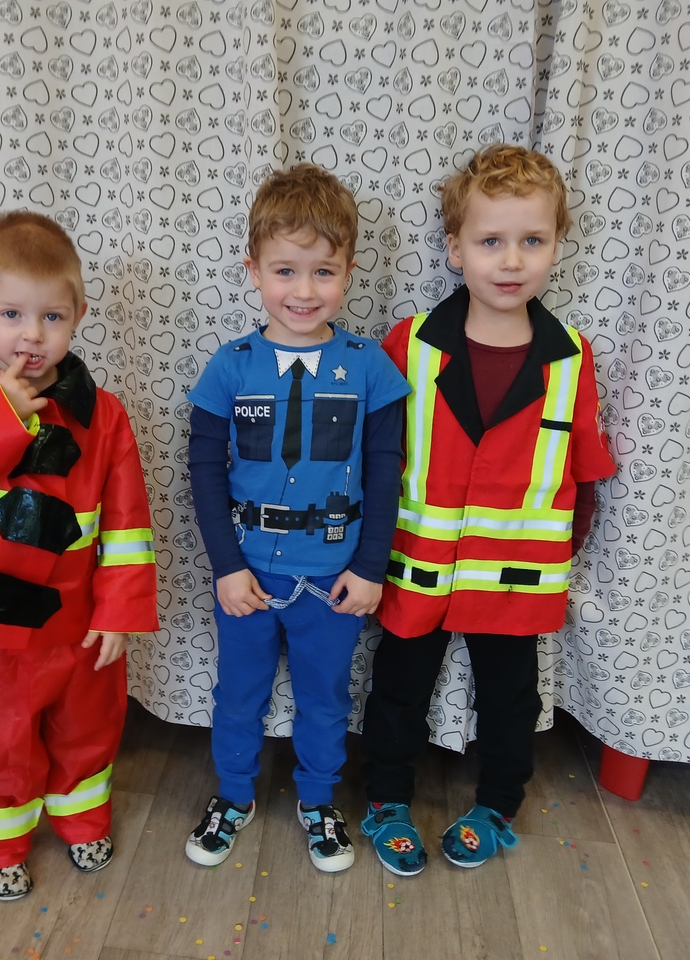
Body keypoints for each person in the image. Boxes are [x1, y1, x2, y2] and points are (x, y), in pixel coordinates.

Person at [360, 144, 617, 875]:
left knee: (510, 700)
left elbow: (584, 470)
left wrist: (566, 548)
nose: (511, 260)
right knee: (398, 689)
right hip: (417, 568)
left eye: (531, 240)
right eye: (490, 241)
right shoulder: (409, 344)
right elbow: (375, 457)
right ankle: (386, 799)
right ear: (455, 249)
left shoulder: (571, 357)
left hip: (517, 578)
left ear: (557, 246)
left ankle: (498, 806)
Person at [0, 211, 158, 902]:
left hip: (79, 625)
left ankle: (83, 820)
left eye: (51, 317)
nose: (31, 335)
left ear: (77, 316)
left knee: (87, 730)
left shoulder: (104, 415)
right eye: (11, 314)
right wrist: (1, 414)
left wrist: (119, 611)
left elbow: (127, 523)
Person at [183, 164, 409, 873]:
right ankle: (234, 795)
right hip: (248, 576)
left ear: (349, 272)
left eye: (323, 272)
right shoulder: (230, 366)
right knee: (238, 695)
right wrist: (226, 566)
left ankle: (318, 800)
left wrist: (371, 567)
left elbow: (385, 473)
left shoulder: (369, 368)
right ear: (253, 271)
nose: (304, 291)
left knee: (325, 697)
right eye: (285, 270)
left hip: (335, 579)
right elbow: (202, 471)